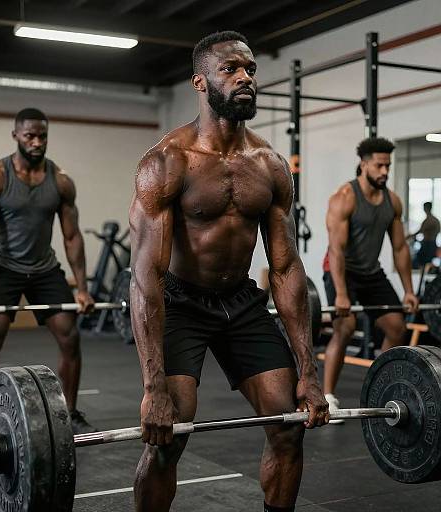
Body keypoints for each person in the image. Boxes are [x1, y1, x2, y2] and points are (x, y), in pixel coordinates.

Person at [129, 31, 328, 512]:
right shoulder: (168, 162)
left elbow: (284, 267)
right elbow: (145, 278)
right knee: (169, 435)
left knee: (288, 426)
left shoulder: (271, 165)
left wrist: (310, 371)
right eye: (230, 69)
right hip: (179, 301)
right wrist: (153, 385)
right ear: (200, 81)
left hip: (241, 301)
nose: (245, 78)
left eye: (251, 70)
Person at [0, 108, 96, 444]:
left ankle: (70, 413)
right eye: (29, 136)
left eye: (42, 136)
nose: (37, 143)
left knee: (70, 336)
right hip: (4, 268)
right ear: (16, 136)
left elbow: (72, 236)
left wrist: (82, 288)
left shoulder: (60, 181)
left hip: (43, 269)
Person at [322, 137, 419, 423]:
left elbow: (400, 249)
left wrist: (409, 291)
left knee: (397, 326)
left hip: (371, 272)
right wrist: (341, 293)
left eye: (388, 165)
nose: (385, 171)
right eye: (379, 165)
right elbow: (336, 250)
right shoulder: (345, 198)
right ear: (364, 165)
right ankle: (328, 397)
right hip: (341, 270)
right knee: (345, 327)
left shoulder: (393, 202)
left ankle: (377, 384)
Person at [408, 202, 440, 268]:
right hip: (432, 244)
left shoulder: (428, 220)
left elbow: (420, 231)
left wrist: (409, 236)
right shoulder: (436, 220)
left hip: (427, 245)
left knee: (417, 263)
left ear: (426, 208)